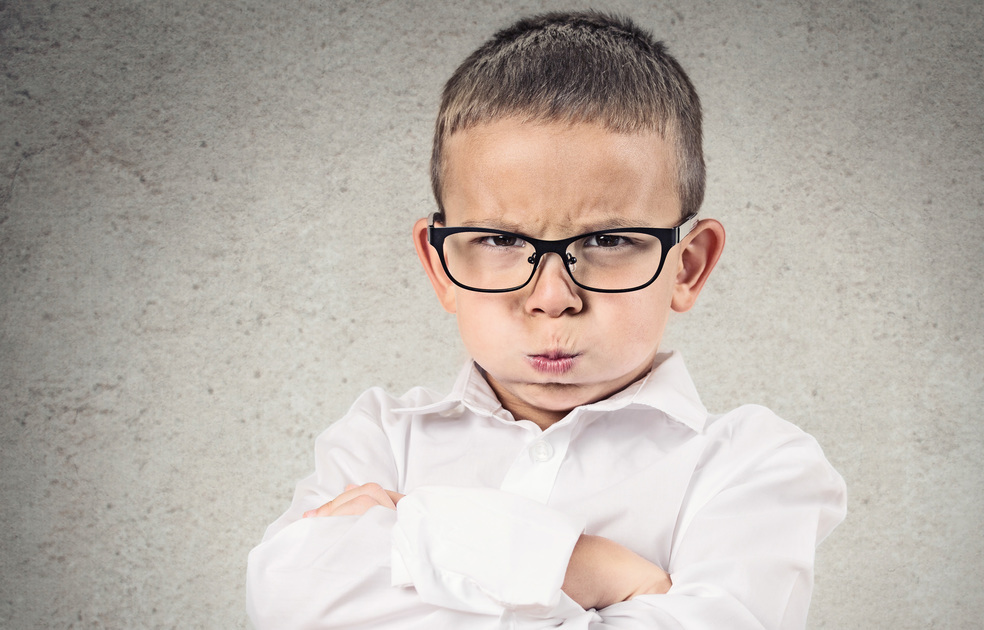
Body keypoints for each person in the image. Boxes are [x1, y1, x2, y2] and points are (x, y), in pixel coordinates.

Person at [247, 11, 846, 629]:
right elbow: (288, 601)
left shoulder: (753, 464)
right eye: (500, 240)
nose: (552, 296)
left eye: (611, 240)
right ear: (439, 264)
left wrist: (424, 534)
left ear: (688, 267)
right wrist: (594, 569)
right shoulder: (379, 437)